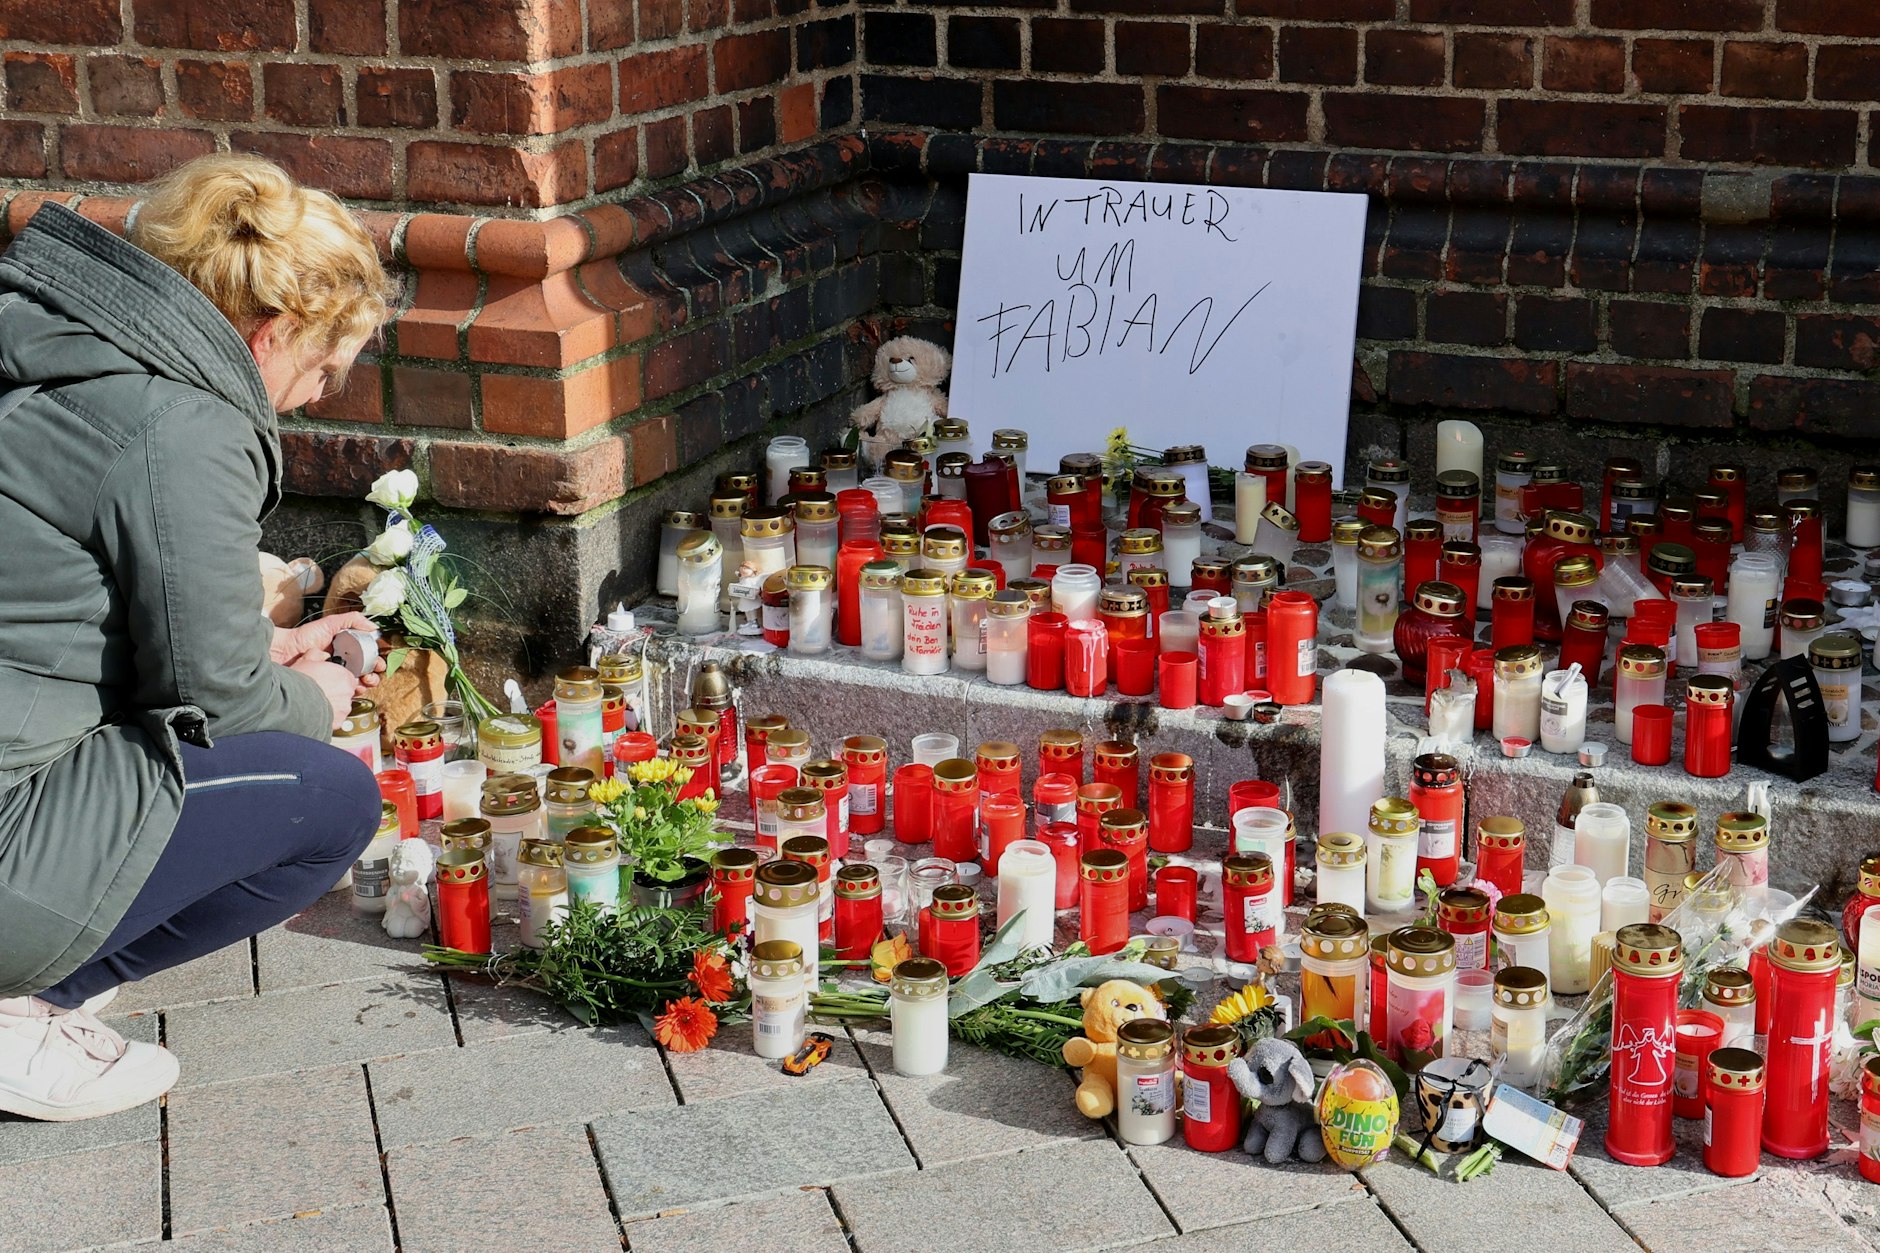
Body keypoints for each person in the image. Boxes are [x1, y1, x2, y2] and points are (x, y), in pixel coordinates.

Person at [0, 155, 398, 1121]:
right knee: (330, 798)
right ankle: (23, 1007)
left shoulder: (51, 344)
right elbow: (221, 701)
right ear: (274, 332)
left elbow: (67, 619)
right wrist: (318, 695)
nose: (316, 397)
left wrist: (266, 648)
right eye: (324, 370)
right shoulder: (180, 426)